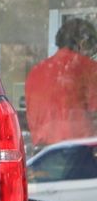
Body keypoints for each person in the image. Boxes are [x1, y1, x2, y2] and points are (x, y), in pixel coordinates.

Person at [24, 17, 97, 147]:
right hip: (80, 150)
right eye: (93, 51)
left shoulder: (36, 72)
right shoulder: (89, 69)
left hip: (43, 152)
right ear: (83, 43)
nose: (91, 57)